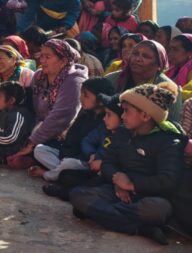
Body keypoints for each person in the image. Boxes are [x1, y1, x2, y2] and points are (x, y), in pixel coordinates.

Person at [70, 83, 187, 245]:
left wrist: (131, 185)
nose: (122, 116)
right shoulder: (123, 132)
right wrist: (117, 180)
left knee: (159, 209)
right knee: (78, 195)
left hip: (147, 197)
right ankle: (141, 228)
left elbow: (167, 180)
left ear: (145, 116)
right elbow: (108, 163)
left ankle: (101, 214)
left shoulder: (169, 141)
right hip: (117, 191)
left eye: (127, 111)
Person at [11, 39, 88, 168]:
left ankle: (54, 169)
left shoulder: (74, 81)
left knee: (38, 151)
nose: (42, 60)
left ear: (63, 61)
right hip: (40, 128)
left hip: (64, 133)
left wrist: (32, 141)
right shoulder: (39, 76)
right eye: (41, 56)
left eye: (47, 57)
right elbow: (32, 109)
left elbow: (61, 117)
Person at [42, 86, 127, 201]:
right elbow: (87, 141)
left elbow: (121, 163)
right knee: (66, 175)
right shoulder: (103, 129)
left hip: (107, 175)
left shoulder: (125, 138)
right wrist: (91, 154)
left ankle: (66, 192)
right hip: (92, 167)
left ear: (122, 118)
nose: (104, 119)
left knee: (92, 186)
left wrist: (102, 165)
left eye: (109, 115)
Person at [29, 77, 116, 180]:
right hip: (70, 155)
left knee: (69, 164)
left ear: (100, 100)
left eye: (86, 95)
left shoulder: (108, 122)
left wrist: (78, 157)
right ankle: (62, 173)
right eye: (81, 93)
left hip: (86, 160)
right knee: (40, 150)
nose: (81, 98)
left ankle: (49, 174)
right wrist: (66, 154)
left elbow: (94, 147)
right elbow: (72, 138)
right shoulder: (85, 114)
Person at [106, 39, 183, 121]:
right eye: (135, 54)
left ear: (159, 63)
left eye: (146, 56)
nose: (138, 59)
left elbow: (174, 123)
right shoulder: (112, 79)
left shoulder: (169, 89)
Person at [0, 45, 34, 120]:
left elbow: (30, 103)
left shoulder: (27, 74)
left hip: (21, 117)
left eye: (0, 58)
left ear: (13, 59)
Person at [167, 34, 192, 102]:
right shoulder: (171, 70)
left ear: (189, 53)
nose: (170, 53)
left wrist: (168, 94)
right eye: (170, 49)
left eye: (175, 49)